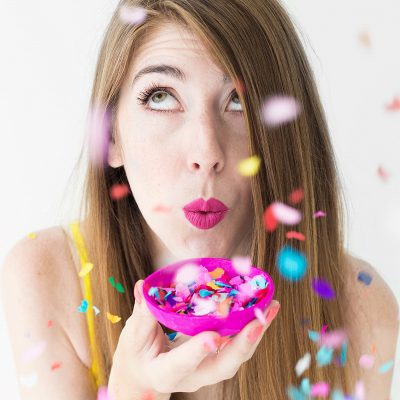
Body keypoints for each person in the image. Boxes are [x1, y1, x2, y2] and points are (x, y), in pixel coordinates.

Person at [1, 0, 398, 399]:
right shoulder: (48, 277)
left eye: (240, 100)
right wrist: (135, 391)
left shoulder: (360, 310)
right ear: (110, 136)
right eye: (160, 97)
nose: (206, 152)